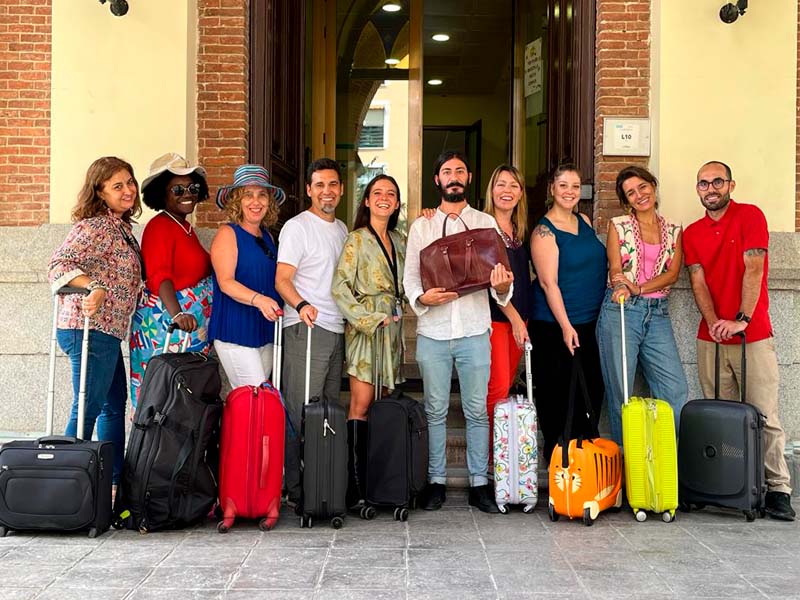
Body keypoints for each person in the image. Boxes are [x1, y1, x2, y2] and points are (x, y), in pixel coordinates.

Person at [403, 150, 514, 514]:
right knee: (434, 409)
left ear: (468, 179)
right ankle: (435, 480)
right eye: (447, 171)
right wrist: (423, 297)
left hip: (473, 330)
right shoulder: (422, 225)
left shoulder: (485, 222)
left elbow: (502, 283)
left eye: (460, 171)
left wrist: (500, 287)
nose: (454, 176)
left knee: (477, 411)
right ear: (437, 180)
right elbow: (411, 277)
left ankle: (479, 484)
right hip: (433, 331)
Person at [683, 160, 795, 522]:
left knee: (764, 415)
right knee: (720, 418)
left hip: (753, 335)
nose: (710, 188)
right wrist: (715, 322)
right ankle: (727, 485)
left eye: (717, 182)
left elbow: (754, 268)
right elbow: (698, 281)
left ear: (731, 185)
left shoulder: (750, 216)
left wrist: (740, 320)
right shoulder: (693, 233)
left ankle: (777, 489)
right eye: (703, 183)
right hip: (711, 337)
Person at [48, 156, 144, 487]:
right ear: (99, 192)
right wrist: (93, 286)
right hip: (86, 328)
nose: (128, 190)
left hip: (107, 332)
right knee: (88, 407)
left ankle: (111, 484)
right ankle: (63, 488)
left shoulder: (121, 229)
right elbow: (59, 266)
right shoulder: (94, 227)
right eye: (117, 186)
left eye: (130, 182)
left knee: (113, 407)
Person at [596, 166, 688, 447]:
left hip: (658, 313)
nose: (640, 195)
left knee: (675, 390)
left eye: (643, 187)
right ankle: (629, 466)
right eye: (631, 193)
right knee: (621, 392)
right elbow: (616, 268)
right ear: (626, 201)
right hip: (622, 311)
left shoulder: (674, 229)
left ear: (653, 186)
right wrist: (625, 286)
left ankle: (667, 464)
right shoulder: (618, 225)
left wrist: (640, 287)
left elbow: (673, 273)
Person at [275, 157, 348, 507]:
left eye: (332, 184)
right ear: (308, 189)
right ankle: (295, 487)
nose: (326, 191)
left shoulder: (343, 230)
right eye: (319, 185)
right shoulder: (297, 227)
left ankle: (323, 484)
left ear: (342, 189)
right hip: (307, 328)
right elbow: (282, 279)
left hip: (336, 329)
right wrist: (302, 305)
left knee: (328, 413)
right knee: (300, 411)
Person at [331, 174, 405, 509]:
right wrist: (366, 319)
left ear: (397, 202)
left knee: (383, 403)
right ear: (366, 200)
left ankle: (379, 483)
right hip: (365, 329)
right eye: (377, 193)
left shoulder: (400, 240)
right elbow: (340, 287)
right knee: (361, 404)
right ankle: (354, 487)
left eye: (391, 194)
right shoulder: (356, 240)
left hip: (391, 329)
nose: (384, 198)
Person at [529, 163, 606, 459]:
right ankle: (558, 466)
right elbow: (549, 284)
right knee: (557, 396)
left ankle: (583, 461)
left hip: (589, 322)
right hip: (554, 325)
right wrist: (565, 326)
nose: (570, 192)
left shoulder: (584, 220)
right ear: (552, 189)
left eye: (575, 186)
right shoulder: (543, 232)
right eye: (563, 185)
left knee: (592, 391)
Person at [129, 153, 213, 407]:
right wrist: (177, 315)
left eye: (192, 187)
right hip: (166, 327)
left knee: (182, 397)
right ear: (161, 194)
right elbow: (159, 275)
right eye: (177, 189)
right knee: (162, 396)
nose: (187, 193)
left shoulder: (184, 228)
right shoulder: (160, 227)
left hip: (188, 331)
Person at [208, 164, 284, 388]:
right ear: (236, 201)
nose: (256, 201)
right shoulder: (227, 233)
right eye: (247, 195)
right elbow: (226, 282)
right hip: (236, 329)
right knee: (254, 400)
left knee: (256, 405)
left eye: (262, 195)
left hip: (264, 329)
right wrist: (260, 300)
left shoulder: (268, 236)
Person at [482, 165, 532, 439]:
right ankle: (494, 457)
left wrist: (521, 320)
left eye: (513, 185)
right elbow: (493, 282)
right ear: (492, 190)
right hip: (497, 320)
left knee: (508, 384)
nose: (507, 191)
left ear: (521, 193)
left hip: (519, 319)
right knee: (498, 388)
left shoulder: (518, 230)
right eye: (501, 184)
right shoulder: (484, 226)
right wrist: (514, 319)